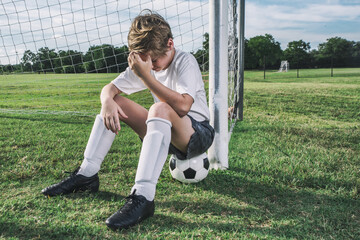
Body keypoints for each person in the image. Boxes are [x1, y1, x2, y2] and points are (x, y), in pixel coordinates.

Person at [41, 10, 215, 231]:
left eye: (154, 60)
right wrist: (107, 101)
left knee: (160, 108)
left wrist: (145, 76)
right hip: (165, 131)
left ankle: (143, 197)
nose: (150, 65)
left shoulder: (185, 60)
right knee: (117, 102)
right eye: (145, 61)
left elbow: (183, 106)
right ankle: (86, 175)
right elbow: (109, 89)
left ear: (170, 44)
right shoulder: (147, 63)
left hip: (197, 134)